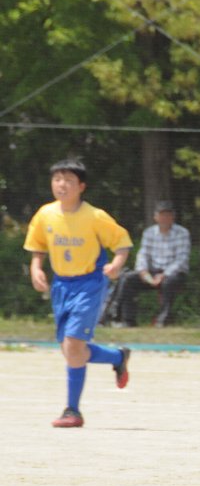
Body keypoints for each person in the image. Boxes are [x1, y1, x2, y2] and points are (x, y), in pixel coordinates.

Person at [23, 158, 132, 428]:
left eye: (69, 180)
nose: (62, 185)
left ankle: (72, 411)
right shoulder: (45, 214)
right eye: (57, 179)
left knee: (73, 346)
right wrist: (36, 268)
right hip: (61, 285)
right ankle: (117, 357)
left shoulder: (94, 216)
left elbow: (122, 243)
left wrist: (116, 265)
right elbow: (38, 246)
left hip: (90, 283)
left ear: (81, 186)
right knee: (72, 351)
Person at [105, 200, 190, 327]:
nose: (165, 218)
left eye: (168, 215)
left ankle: (163, 320)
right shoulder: (149, 233)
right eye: (162, 215)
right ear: (156, 217)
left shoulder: (182, 233)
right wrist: (143, 271)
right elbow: (143, 254)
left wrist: (164, 275)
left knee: (169, 282)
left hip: (173, 273)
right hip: (152, 271)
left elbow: (181, 259)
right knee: (127, 279)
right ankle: (127, 320)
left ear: (173, 217)